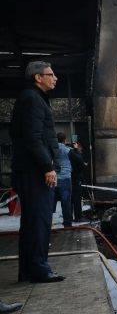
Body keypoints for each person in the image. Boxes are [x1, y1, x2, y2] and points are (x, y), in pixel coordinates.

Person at [11, 61, 65, 283]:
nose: (55, 78)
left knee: (32, 222)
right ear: (37, 78)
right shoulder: (32, 99)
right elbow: (33, 138)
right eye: (50, 74)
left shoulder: (33, 99)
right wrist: (47, 167)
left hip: (30, 171)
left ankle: (28, 271)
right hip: (34, 173)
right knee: (39, 221)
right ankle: (39, 270)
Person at [53, 133, 73, 227]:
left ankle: (47, 224)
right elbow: (76, 160)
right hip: (65, 178)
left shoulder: (53, 149)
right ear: (65, 140)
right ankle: (67, 223)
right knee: (66, 203)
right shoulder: (67, 150)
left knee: (51, 202)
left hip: (54, 178)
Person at [70, 141, 88, 222]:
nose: (81, 150)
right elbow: (80, 161)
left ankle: (71, 217)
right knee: (77, 199)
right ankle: (78, 217)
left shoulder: (70, 153)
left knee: (72, 199)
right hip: (76, 178)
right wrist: (76, 150)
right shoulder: (74, 153)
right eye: (80, 148)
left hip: (72, 178)